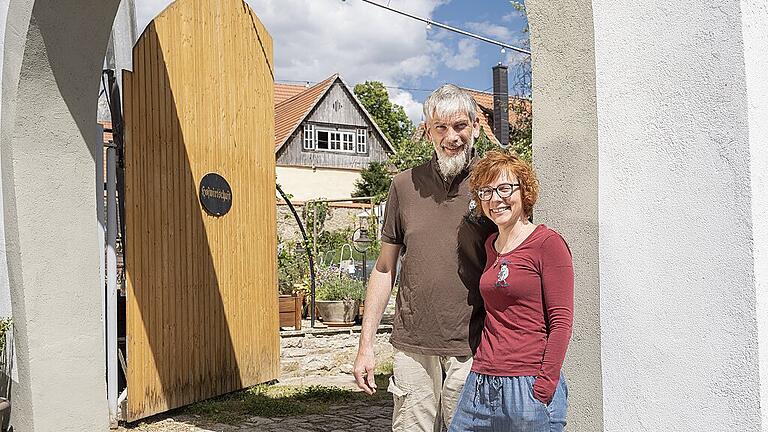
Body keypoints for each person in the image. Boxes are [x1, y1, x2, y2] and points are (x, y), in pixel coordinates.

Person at [352, 84, 494, 431]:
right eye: (440, 127)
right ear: (426, 130)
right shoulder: (403, 185)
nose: (451, 137)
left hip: (474, 345)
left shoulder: (493, 184)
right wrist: (365, 345)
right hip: (413, 345)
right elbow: (385, 268)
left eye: (460, 126)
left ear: (476, 126)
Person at [448, 151, 574, 431]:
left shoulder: (547, 244)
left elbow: (562, 322)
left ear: (524, 192)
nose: (496, 199)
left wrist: (543, 386)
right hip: (482, 380)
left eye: (505, 188)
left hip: (527, 383)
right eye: (487, 192)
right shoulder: (490, 245)